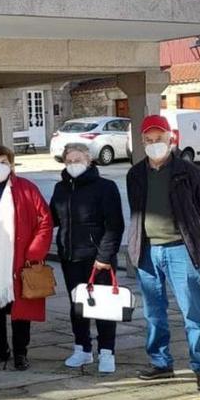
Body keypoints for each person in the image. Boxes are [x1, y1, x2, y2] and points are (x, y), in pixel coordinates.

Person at [129, 115, 200, 392]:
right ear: (143, 142)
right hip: (147, 251)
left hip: (180, 250)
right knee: (154, 313)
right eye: (149, 140)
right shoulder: (136, 174)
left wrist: (189, 232)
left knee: (193, 312)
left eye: (160, 139)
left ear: (171, 139)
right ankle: (161, 363)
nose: (155, 144)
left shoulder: (189, 172)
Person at [0, 146, 53, 372]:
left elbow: (44, 221)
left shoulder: (26, 189)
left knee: (21, 309)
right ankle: (0, 349)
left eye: (3, 161)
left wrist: (34, 253)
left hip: (19, 259)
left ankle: (20, 352)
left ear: (11, 164)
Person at [50, 143, 125, 374]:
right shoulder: (60, 188)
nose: (73, 164)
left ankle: (106, 351)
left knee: (102, 307)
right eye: (69, 161)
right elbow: (52, 217)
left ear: (89, 160)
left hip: (97, 258)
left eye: (78, 160)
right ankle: (82, 348)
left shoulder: (106, 187)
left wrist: (104, 256)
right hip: (70, 257)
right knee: (77, 306)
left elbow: (115, 225)